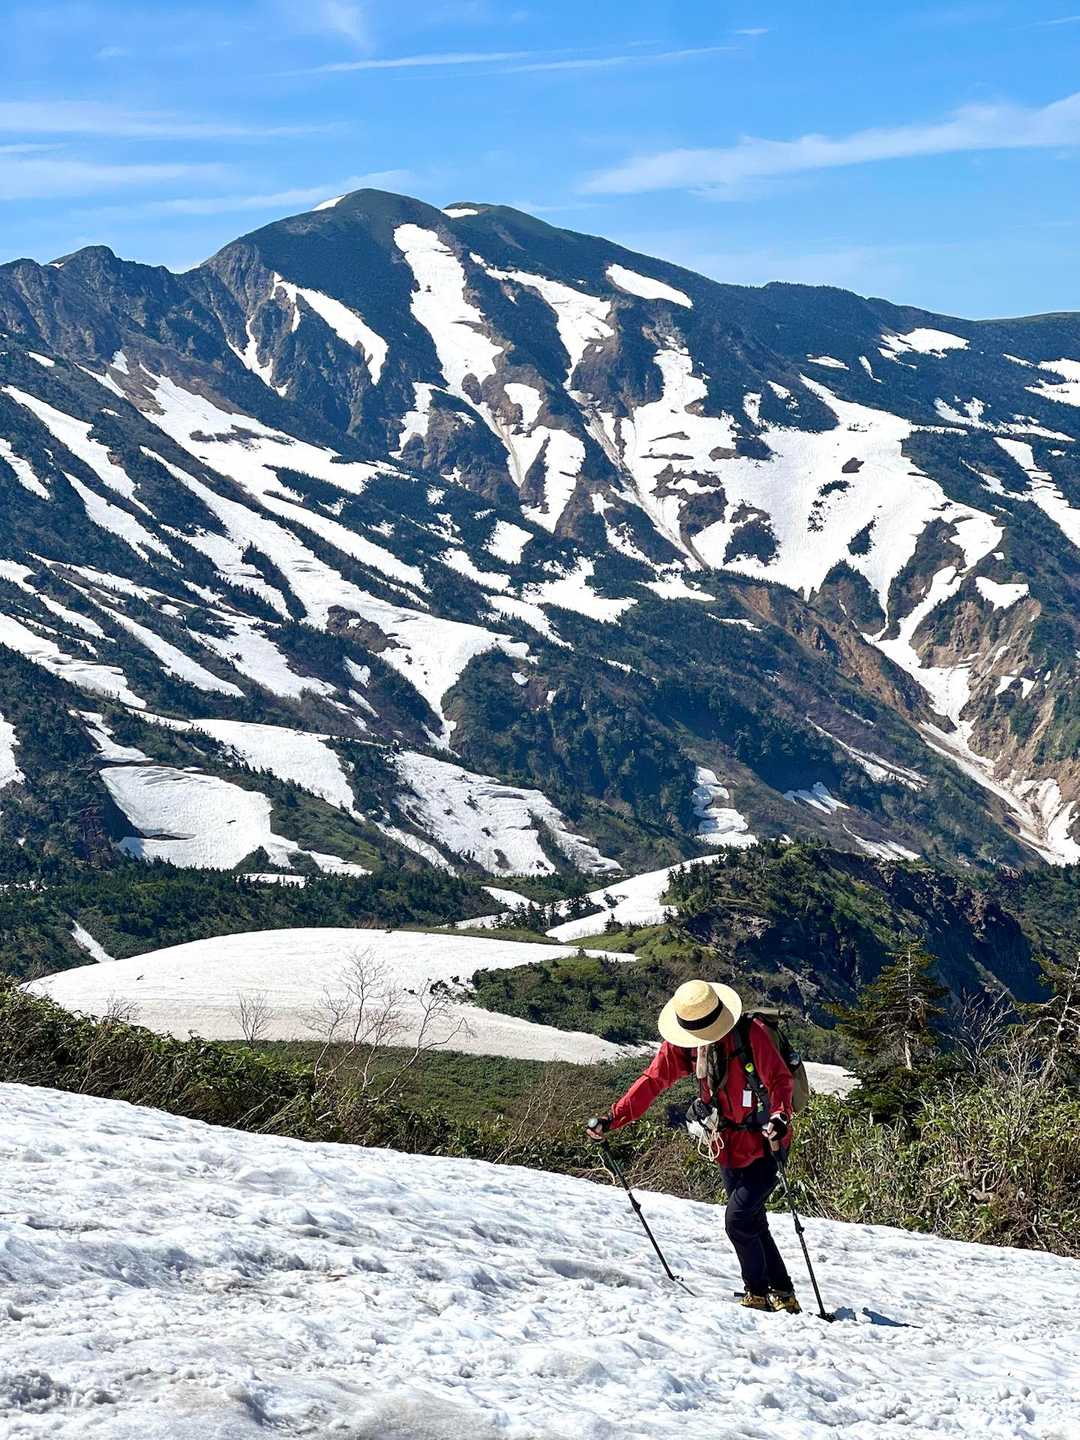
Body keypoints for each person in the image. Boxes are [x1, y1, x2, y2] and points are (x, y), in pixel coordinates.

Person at [587, 979, 799, 1313]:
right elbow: (653, 1080)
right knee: (752, 1219)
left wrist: (780, 1116)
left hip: (767, 1141)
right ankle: (784, 1294)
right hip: (726, 1144)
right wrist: (612, 1118)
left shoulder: (751, 1034)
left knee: (738, 1220)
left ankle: (757, 1294)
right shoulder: (686, 1044)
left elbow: (779, 1080)